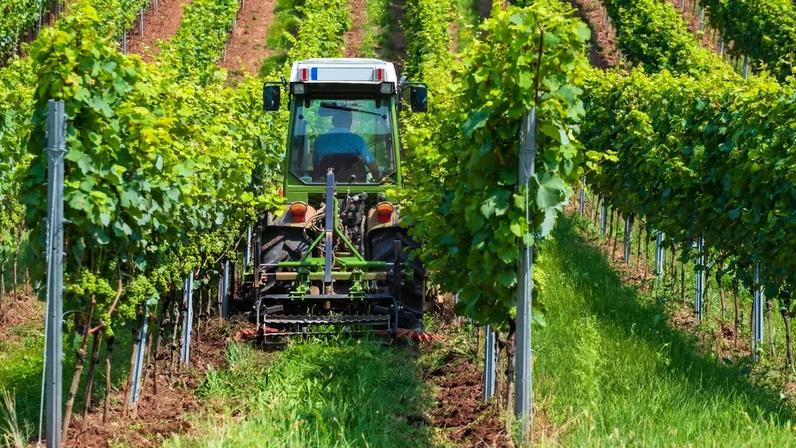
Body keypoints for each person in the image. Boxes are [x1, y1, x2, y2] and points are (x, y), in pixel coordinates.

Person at [313, 109, 381, 181]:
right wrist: (378, 179)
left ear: (333, 121)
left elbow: (316, 169)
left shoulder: (319, 141)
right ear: (350, 121)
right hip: (355, 186)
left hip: (327, 186)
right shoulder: (357, 140)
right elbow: (374, 168)